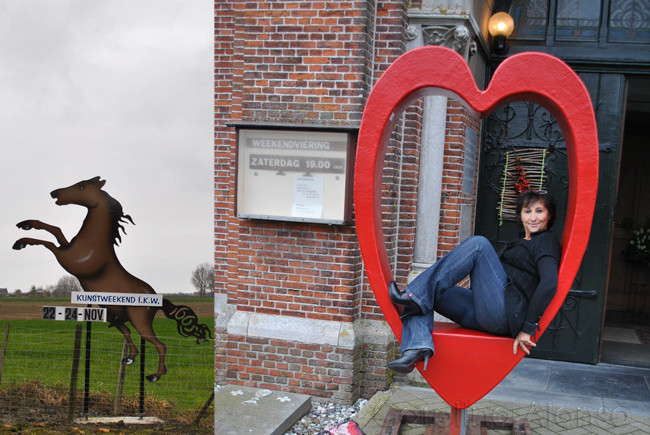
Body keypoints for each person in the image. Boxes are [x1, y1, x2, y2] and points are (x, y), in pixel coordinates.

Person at [387, 190, 561, 373]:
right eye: (527, 211)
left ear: (549, 215)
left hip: (505, 314)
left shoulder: (546, 241)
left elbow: (550, 283)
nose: (533, 217)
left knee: (479, 245)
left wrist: (528, 328)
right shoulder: (521, 241)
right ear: (520, 215)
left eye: (539, 211)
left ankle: (414, 296)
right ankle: (416, 347)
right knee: (427, 292)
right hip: (482, 312)